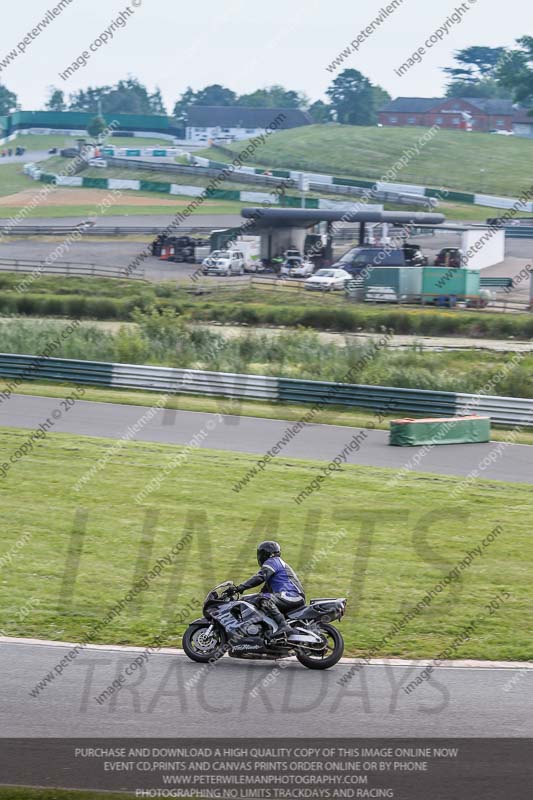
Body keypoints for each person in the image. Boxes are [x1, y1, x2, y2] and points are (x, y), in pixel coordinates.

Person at [235, 541, 305, 639]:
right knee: (259, 598)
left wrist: (240, 587)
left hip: (291, 595)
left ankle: (283, 626)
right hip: (288, 596)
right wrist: (244, 598)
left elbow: (260, 577)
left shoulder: (273, 561)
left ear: (264, 554)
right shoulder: (277, 565)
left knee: (264, 599)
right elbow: (263, 591)